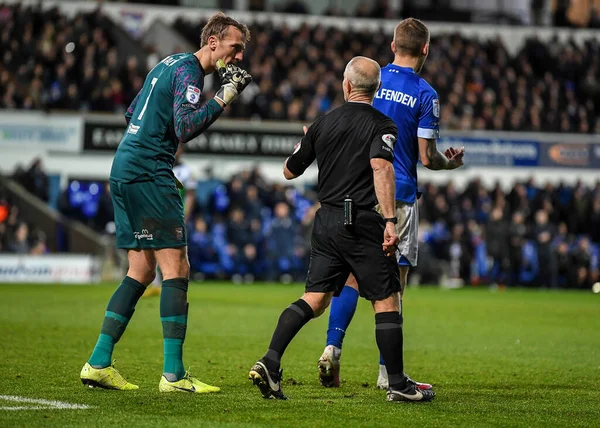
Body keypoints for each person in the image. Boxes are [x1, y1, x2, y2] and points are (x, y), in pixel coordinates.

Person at [80, 12, 252, 393]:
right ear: (212, 42)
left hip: (125, 167)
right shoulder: (190, 71)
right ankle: (173, 375)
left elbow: (133, 113)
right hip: (148, 174)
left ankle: (98, 363)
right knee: (176, 268)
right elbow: (185, 128)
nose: (239, 56)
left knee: (140, 271)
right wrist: (224, 97)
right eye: (235, 47)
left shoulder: (167, 63)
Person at [249, 56, 436, 402]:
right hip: (363, 220)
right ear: (376, 89)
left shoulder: (323, 123)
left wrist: (307, 142)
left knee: (315, 299)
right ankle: (396, 383)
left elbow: (290, 171)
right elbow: (381, 168)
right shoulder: (383, 125)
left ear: (346, 86)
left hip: (327, 221)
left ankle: (270, 362)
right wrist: (391, 221)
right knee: (386, 299)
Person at [317, 17, 465, 390]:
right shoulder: (425, 93)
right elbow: (428, 158)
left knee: (351, 274)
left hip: (357, 190)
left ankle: (333, 347)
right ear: (426, 50)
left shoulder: (369, 78)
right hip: (396, 195)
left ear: (392, 45)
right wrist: (451, 162)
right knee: (393, 287)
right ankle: (388, 374)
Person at [143, 144, 198, 297]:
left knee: (175, 250)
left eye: (178, 148)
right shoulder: (158, 166)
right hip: (155, 215)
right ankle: (155, 283)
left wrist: (185, 215)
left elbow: (191, 195)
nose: (175, 151)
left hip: (174, 216)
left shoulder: (185, 171)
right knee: (152, 247)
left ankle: (174, 282)